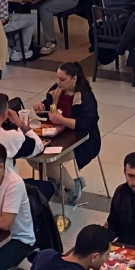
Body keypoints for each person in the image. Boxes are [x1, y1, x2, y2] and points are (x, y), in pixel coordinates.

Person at [37, 62, 100, 204]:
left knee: (51, 163)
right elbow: (49, 108)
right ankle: (55, 179)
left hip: (81, 140)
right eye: (57, 78)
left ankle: (72, 186)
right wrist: (41, 108)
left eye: (62, 79)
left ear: (74, 79)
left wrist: (63, 120)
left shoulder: (85, 96)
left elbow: (87, 123)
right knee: (33, 156)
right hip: (56, 134)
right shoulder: (56, 91)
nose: (58, 82)